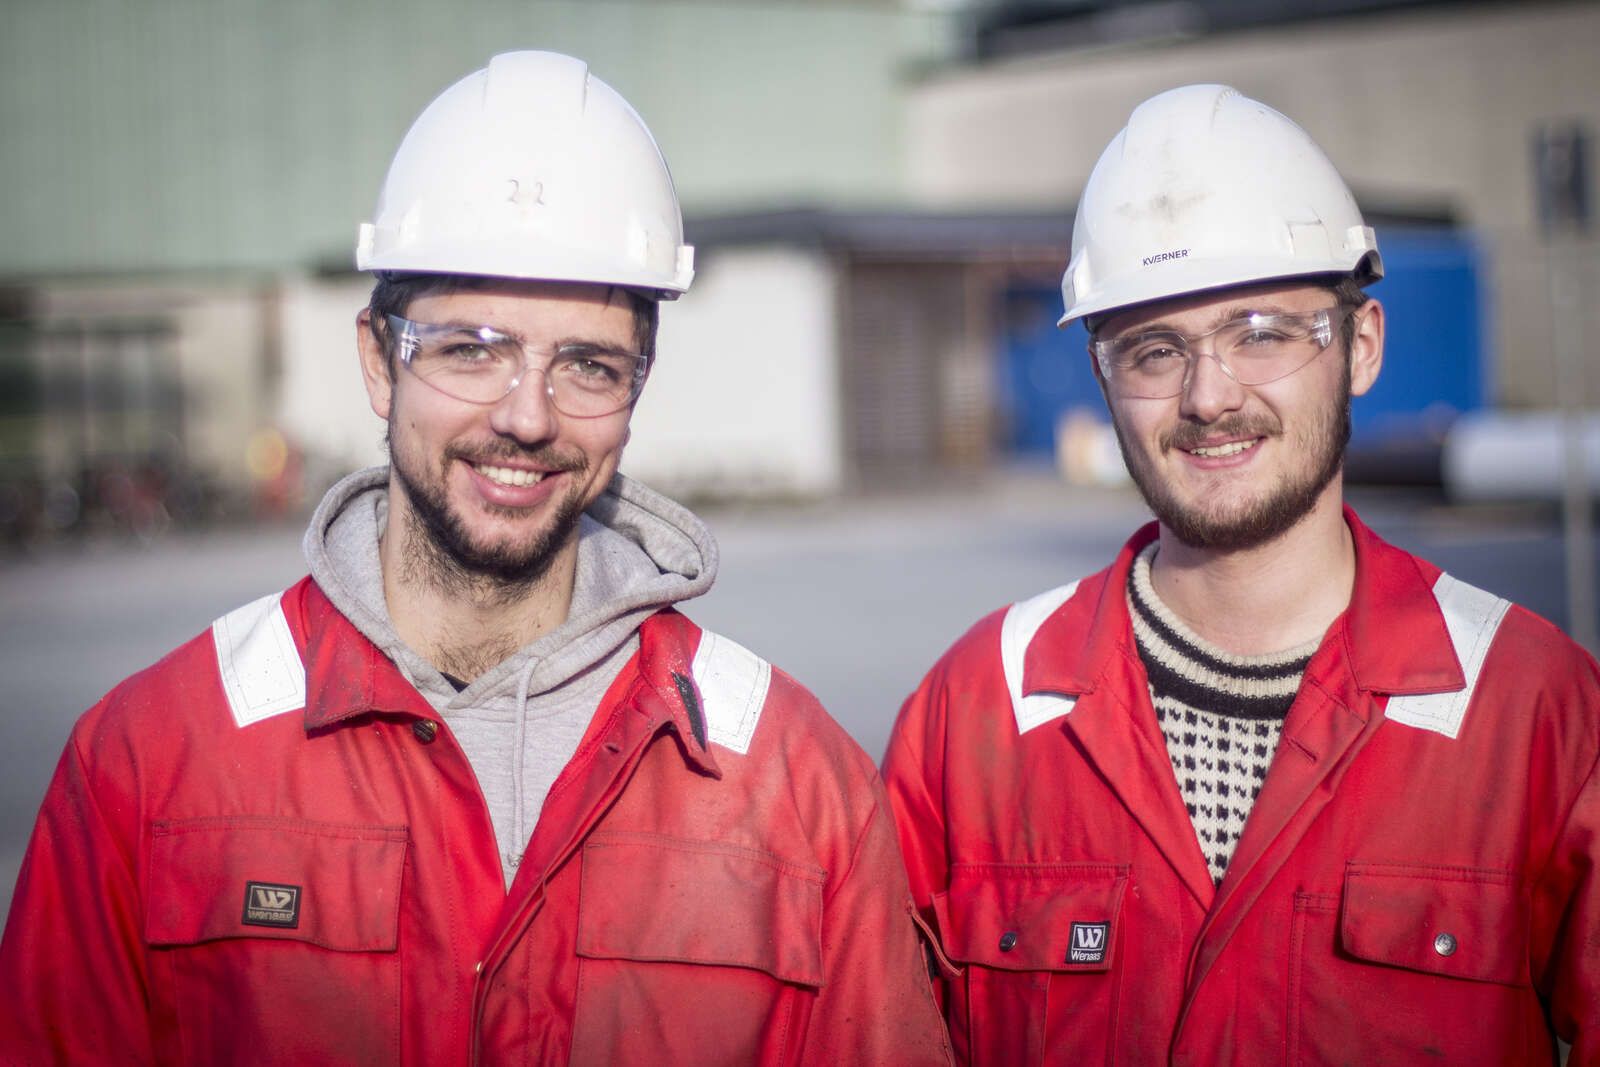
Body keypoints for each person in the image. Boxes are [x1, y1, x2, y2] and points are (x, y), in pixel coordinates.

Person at [0, 51, 950, 1066]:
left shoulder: (797, 785)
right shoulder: (153, 758)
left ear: (637, 388)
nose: (526, 416)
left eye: (588, 365)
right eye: (471, 349)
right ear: (379, 361)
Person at [882, 84, 1599, 1065]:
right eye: (1154, 350)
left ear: (1361, 347)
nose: (1209, 396)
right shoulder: (976, 711)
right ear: (1103, 382)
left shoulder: (1533, 706)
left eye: (1260, 331)